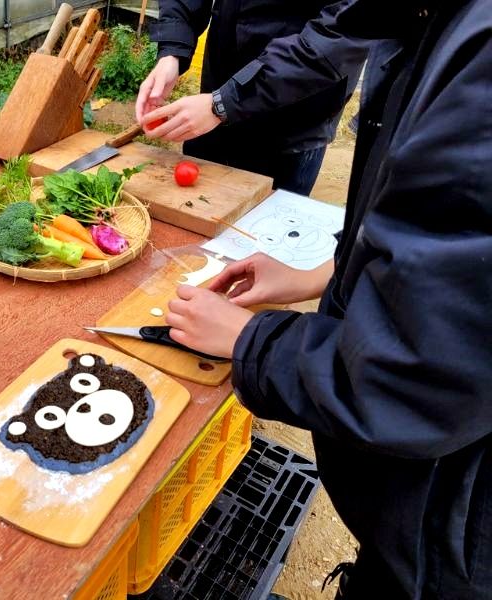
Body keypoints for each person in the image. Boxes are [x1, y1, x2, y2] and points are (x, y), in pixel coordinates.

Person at [165, 0, 492, 597]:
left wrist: (249, 340)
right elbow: (442, 240)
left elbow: (416, 380)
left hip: (453, 539)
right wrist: (324, 272)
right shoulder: (441, 18)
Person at [135, 0, 368, 195]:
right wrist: (173, 49)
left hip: (292, 123)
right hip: (215, 100)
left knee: (263, 237)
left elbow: (341, 34)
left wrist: (224, 103)